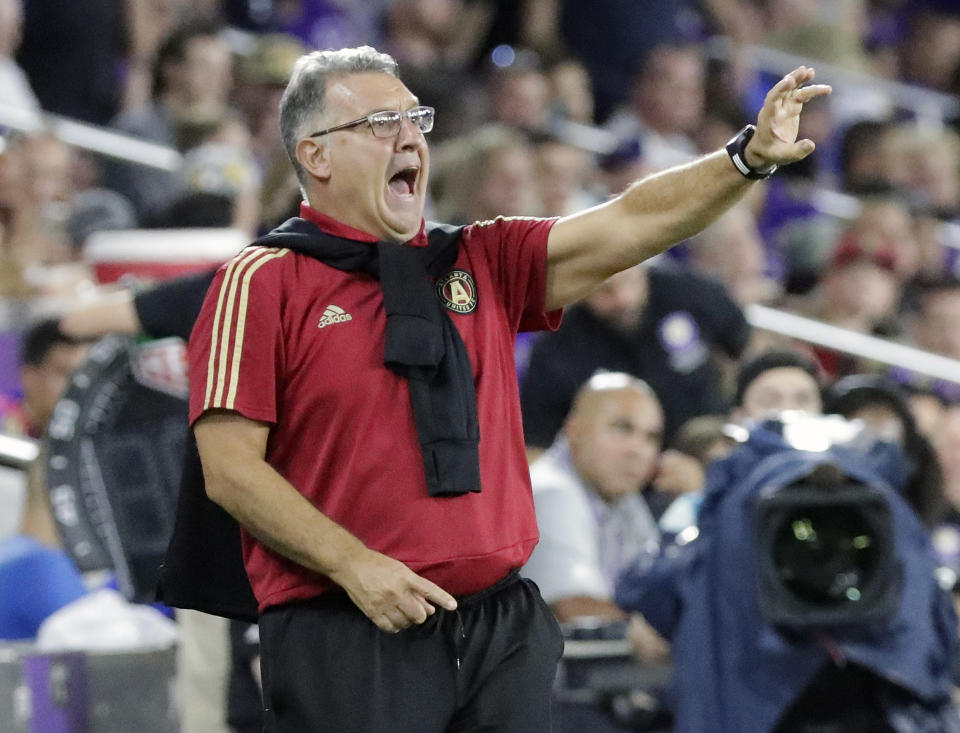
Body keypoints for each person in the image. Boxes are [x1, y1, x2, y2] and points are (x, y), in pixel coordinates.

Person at [174, 45, 829, 732]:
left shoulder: (479, 259)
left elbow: (633, 219)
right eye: (380, 122)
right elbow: (229, 470)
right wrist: (353, 565)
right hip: (348, 622)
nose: (409, 137)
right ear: (316, 155)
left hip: (500, 625)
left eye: (414, 118)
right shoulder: (263, 280)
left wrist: (743, 159)